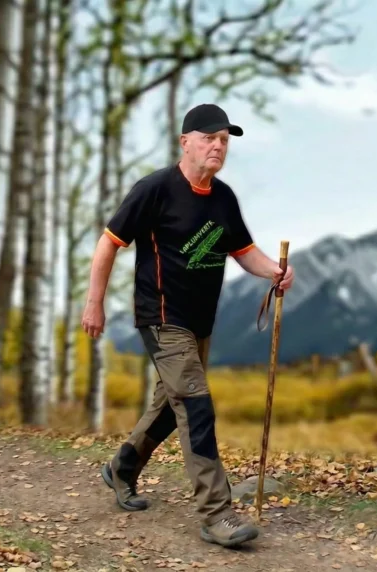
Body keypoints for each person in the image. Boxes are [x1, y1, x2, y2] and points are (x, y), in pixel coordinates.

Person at [81, 103, 295, 548]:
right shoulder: (155, 189)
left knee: (170, 405)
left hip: (200, 322)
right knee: (196, 407)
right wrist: (94, 303)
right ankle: (216, 515)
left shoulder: (223, 198)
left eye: (224, 140)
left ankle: (122, 467)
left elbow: (244, 252)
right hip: (161, 318)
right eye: (209, 137)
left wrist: (274, 270)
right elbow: (108, 244)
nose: (218, 146)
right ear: (185, 142)